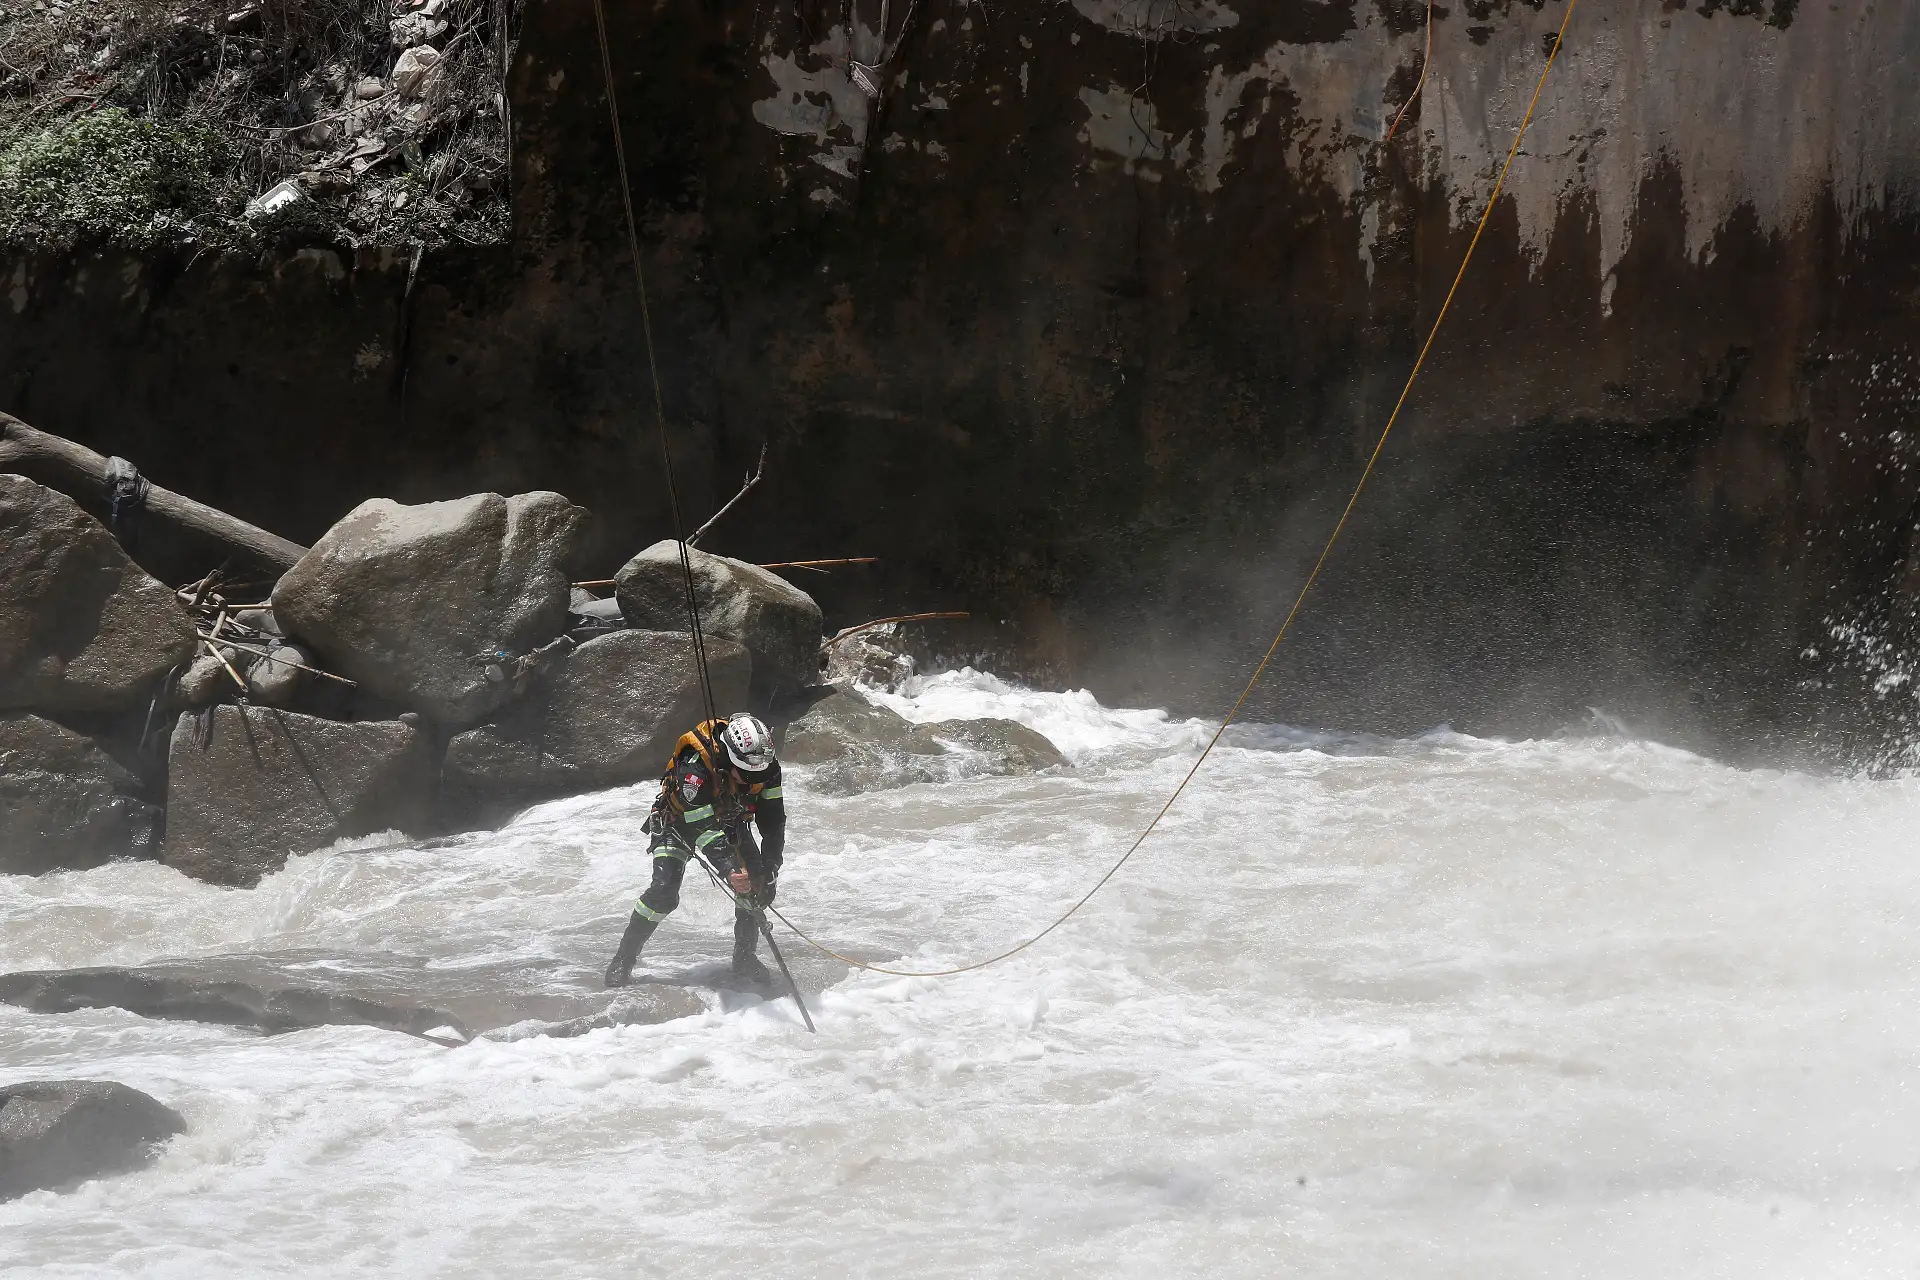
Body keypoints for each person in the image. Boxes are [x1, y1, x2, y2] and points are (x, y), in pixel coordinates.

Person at [604, 713, 786, 988]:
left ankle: (744, 958)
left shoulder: (766, 766)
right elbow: (701, 827)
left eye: (758, 774)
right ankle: (623, 958)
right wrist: (729, 870)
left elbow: (773, 821)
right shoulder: (695, 767)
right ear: (728, 758)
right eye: (746, 774)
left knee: (756, 887)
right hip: (679, 824)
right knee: (663, 892)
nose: (753, 779)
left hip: (729, 821)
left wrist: (769, 867)